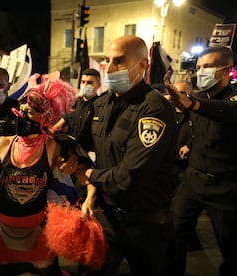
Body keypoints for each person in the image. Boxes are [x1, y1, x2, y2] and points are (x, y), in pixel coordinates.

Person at [75, 35, 177, 275]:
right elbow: (83, 144)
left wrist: (89, 174)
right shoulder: (103, 103)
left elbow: (128, 177)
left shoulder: (154, 108)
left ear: (142, 65)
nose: (108, 68)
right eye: (107, 60)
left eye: (119, 61)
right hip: (106, 218)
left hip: (145, 225)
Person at [0, 74, 76, 276]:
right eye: (20, 111)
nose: (21, 117)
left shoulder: (55, 145)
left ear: (45, 117)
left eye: (29, 112)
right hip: (2, 229)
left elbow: (81, 172)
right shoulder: (0, 143)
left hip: (38, 230)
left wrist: (87, 199)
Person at [164, 46, 237, 276]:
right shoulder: (199, 98)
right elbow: (198, 130)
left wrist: (192, 103)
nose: (200, 72)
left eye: (207, 67)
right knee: (173, 234)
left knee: (230, 249)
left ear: (226, 71)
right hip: (193, 180)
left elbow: (225, 112)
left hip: (225, 187)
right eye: (198, 68)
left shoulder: (231, 98)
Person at [54, 68, 103, 200]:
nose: (85, 85)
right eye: (83, 82)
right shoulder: (75, 104)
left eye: (90, 83)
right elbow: (59, 125)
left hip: (88, 161)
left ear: (98, 85)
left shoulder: (101, 106)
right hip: (69, 159)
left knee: (83, 198)